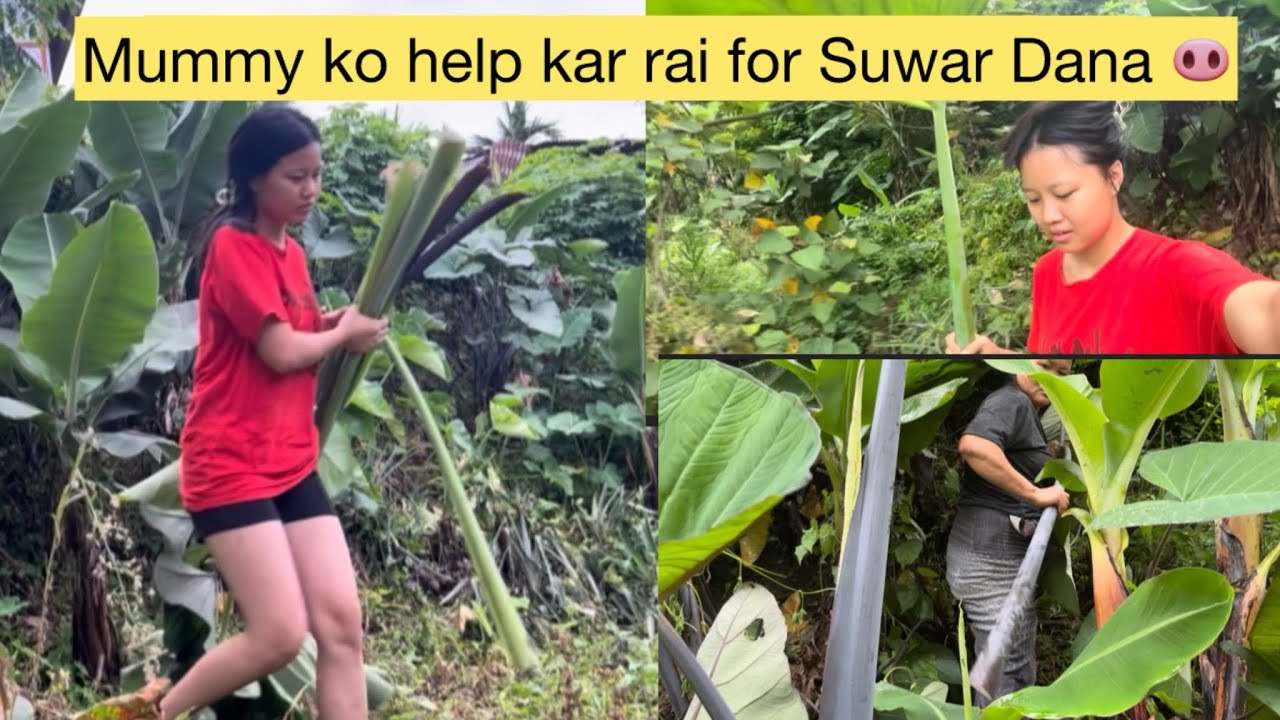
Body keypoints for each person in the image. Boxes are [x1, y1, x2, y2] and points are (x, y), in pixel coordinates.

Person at [117, 105, 389, 719]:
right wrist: (338, 337)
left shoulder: (290, 253)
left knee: (342, 625)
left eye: (317, 174)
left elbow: (298, 329)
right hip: (230, 464)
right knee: (279, 635)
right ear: (254, 179)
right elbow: (280, 350)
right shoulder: (233, 248)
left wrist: (333, 322)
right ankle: (161, 713)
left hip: (289, 462)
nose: (311, 190)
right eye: (296, 177)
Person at [945, 101, 1278, 355]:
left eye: (1064, 194)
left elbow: (1264, 313)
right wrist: (999, 358)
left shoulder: (1178, 267)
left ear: (1113, 176)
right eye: (1033, 199)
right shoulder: (1047, 273)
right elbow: (1052, 375)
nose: (1048, 215)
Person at [945, 360, 1070, 704]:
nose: (1051, 378)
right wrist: (1034, 494)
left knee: (1004, 666)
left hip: (992, 552)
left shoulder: (1025, 408)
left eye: (1061, 372)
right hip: (989, 554)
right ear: (1018, 360)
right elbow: (974, 446)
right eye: (1044, 365)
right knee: (1005, 674)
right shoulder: (1011, 400)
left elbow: (1013, 456)